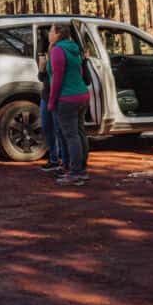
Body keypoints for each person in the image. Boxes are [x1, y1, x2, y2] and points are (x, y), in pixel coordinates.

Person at [47, 23, 90, 185]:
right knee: (79, 133)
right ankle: (82, 169)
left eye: (51, 30)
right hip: (82, 94)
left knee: (71, 136)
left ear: (58, 34)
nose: (49, 34)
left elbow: (57, 79)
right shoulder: (74, 48)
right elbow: (79, 71)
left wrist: (52, 102)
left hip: (67, 98)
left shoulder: (58, 50)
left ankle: (76, 172)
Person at [37, 47, 62, 173]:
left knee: (59, 129)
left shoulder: (61, 55)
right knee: (47, 128)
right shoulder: (50, 56)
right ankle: (54, 159)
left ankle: (64, 162)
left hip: (59, 96)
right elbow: (41, 78)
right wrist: (42, 67)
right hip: (46, 96)